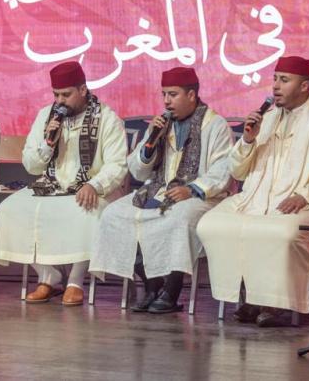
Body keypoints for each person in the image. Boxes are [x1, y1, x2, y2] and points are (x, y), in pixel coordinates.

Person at [197, 56, 309, 327]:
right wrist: (248, 140)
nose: (276, 86)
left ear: (304, 86)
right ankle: (250, 295)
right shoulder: (266, 119)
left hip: (307, 205)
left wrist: (305, 195)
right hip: (256, 199)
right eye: (275, 79)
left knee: (281, 231)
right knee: (210, 224)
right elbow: (238, 172)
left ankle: (274, 302)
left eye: (284, 80)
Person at [89, 67, 233, 313]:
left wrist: (191, 190)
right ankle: (152, 284)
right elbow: (138, 171)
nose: (166, 101)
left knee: (179, 219)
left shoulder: (215, 125)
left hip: (202, 196)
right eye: (164, 94)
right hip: (159, 190)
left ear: (191, 95)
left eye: (173, 94)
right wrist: (150, 144)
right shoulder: (161, 124)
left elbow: (223, 170)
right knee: (113, 214)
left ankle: (172, 291)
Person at [0, 61, 128, 306]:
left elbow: (117, 165)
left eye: (66, 95)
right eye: (56, 95)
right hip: (51, 186)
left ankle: (76, 281)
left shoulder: (107, 119)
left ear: (83, 90)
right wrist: (48, 144)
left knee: (87, 212)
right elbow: (31, 165)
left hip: (92, 188)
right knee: (9, 210)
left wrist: (95, 185)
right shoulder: (46, 116)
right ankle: (48, 275)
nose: (60, 101)